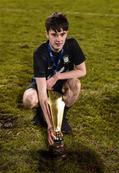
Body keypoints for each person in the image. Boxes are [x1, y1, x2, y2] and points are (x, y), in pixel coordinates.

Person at [23, 12, 86, 145]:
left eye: (62, 34)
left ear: (66, 34)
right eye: (54, 34)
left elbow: (82, 71)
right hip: (43, 84)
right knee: (29, 100)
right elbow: (42, 93)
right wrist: (50, 128)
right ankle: (42, 114)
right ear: (47, 34)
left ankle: (62, 117)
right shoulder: (40, 53)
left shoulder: (72, 45)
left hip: (60, 82)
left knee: (76, 84)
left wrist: (58, 76)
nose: (59, 39)